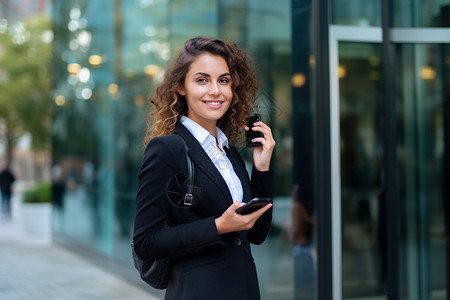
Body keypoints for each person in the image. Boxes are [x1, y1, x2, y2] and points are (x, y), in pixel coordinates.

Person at [132, 36, 276, 300]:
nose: (215, 91)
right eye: (202, 80)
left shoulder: (229, 153)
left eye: (223, 80)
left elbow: (257, 233)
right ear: (181, 86)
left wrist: (262, 167)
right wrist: (218, 226)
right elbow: (146, 242)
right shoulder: (167, 150)